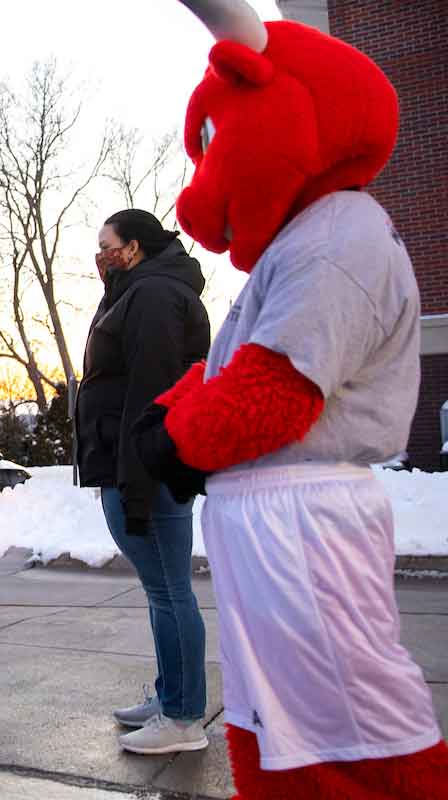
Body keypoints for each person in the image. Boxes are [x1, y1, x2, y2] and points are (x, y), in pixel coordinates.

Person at [134, 3, 447, 796]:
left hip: (303, 521)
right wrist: (173, 411)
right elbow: (235, 362)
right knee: (278, 723)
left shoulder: (343, 236)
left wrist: (179, 440)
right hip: (269, 521)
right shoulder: (299, 241)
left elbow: (275, 391)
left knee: (352, 730)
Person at [75, 210, 211, 755]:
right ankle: (169, 697)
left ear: (132, 247)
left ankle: (182, 718)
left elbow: (150, 397)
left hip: (147, 468)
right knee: (162, 592)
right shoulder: (138, 291)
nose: (100, 254)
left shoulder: (153, 295)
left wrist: (134, 482)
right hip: (132, 463)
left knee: (172, 590)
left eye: (106, 244)